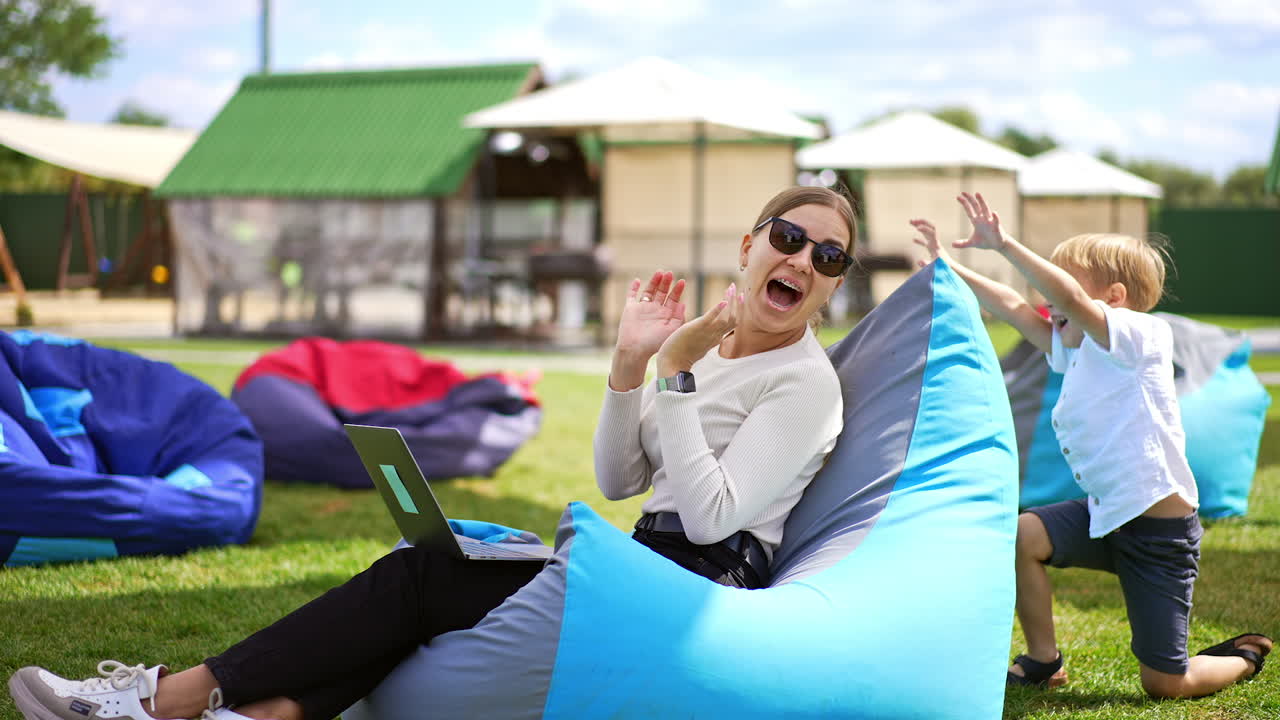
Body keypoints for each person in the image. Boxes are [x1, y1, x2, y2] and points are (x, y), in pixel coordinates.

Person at [9, 186, 854, 720]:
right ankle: (249, 715)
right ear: (749, 247)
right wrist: (632, 366)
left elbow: (708, 518)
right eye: (787, 236)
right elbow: (619, 478)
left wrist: (672, 374)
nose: (801, 260)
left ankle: (161, 700)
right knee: (425, 567)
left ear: (833, 282)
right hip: (641, 564)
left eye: (826, 256)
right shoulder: (705, 346)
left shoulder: (804, 382)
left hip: (695, 589)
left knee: (418, 589)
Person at [910, 192, 1272, 699]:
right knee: (1023, 535)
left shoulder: (1142, 336)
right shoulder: (1078, 347)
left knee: (1166, 683)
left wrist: (1005, 244)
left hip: (1159, 534)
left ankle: (1242, 657)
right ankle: (1044, 660)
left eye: (1060, 287)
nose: (1048, 301)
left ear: (1115, 297)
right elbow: (1014, 307)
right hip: (1104, 515)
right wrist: (947, 266)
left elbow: (1073, 302)